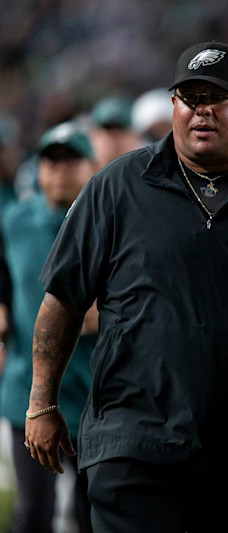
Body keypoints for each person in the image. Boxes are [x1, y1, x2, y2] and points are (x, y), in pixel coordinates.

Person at [24, 41, 228, 533]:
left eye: (218, 97)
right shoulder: (116, 187)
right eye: (190, 97)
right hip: (135, 443)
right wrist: (41, 403)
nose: (202, 110)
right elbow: (62, 301)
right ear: (173, 105)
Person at [0, 122, 96, 533]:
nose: (60, 171)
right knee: (32, 514)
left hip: (95, 394)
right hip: (28, 391)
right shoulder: (14, 221)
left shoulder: (105, 222)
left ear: (90, 166)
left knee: (92, 514)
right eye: (51, 161)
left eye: (71, 160)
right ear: (37, 168)